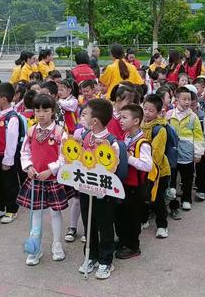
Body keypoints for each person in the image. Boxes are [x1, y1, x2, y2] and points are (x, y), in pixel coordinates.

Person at [18, 94, 70, 266]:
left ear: (52, 111)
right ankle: (35, 248)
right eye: (38, 110)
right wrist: (29, 167)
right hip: (36, 179)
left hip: (53, 179)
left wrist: (51, 170)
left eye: (45, 110)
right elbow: (24, 152)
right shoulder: (31, 130)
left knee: (55, 213)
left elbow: (64, 157)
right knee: (36, 213)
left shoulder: (60, 132)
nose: (41, 114)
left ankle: (56, 244)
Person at [76, 98, 120, 279]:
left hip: (103, 192)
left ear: (95, 121)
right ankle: (91, 255)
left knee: (105, 225)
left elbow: (112, 168)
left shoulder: (111, 142)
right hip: (86, 189)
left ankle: (106, 260)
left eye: (85, 114)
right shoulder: (85, 136)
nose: (82, 117)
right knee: (89, 223)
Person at [116, 104, 153, 259]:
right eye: (120, 117)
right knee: (122, 215)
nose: (120, 120)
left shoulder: (142, 143)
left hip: (135, 186)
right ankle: (123, 241)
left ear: (136, 120)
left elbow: (147, 165)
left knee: (132, 217)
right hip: (125, 183)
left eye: (124, 117)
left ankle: (133, 246)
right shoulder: (126, 137)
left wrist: (128, 158)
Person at [166, 87, 205, 218]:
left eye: (189, 99)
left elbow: (199, 136)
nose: (187, 102)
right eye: (184, 99)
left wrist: (198, 153)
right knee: (171, 181)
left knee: (187, 179)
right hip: (172, 153)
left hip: (187, 153)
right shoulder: (169, 115)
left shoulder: (193, 117)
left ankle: (186, 200)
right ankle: (173, 204)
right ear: (176, 100)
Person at [0, 83, 20, 225]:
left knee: (9, 184)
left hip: (6, 157)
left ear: (4, 99)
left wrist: (8, 160)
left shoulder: (12, 118)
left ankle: (11, 209)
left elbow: (11, 141)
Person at [141, 94, 171, 238]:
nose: (146, 112)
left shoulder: (160, 129)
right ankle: (144, 219)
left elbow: (157, 154)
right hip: (142, 168)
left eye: (151, 110)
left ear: (159, 112)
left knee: (157, 199)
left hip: (159, 171)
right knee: (144, 196)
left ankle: (162, 225)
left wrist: (143, 163)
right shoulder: (139, 124)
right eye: (145, 108)